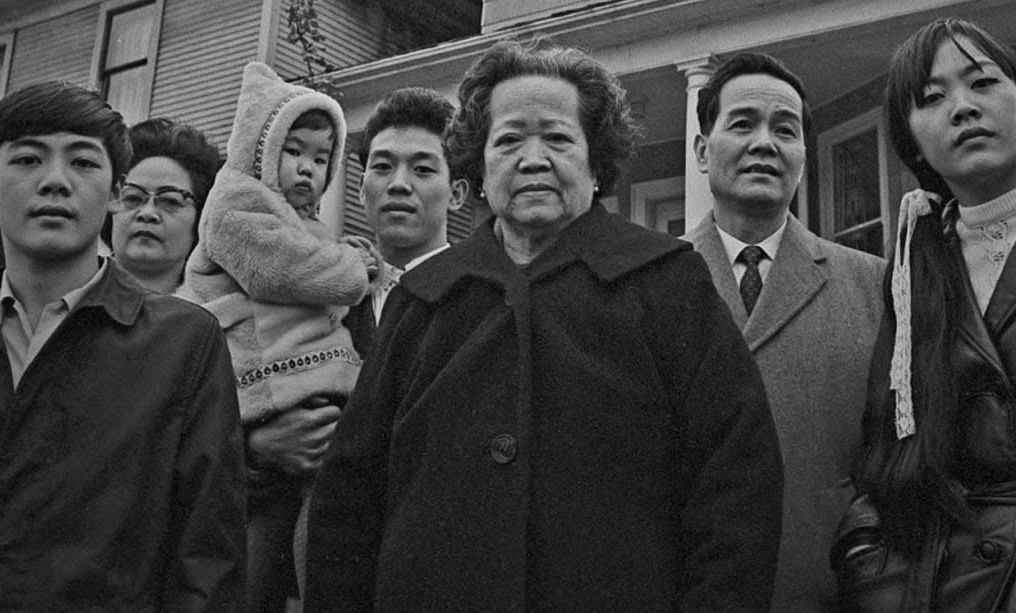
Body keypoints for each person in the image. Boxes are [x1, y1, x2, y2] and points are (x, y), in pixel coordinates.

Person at [305, 40, 784, 612]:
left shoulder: (667, 282)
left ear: (596, 161)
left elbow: (736, 486)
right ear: (478, 169)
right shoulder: (423, 299)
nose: (534, 159)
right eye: (508, 141)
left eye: (558, 138)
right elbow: (348, 503)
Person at [832, 17, 1016, 611]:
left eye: (982, 83)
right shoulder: (914, 260)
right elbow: (885, 454)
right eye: (932, 98)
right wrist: (873, 577)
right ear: (911, 141)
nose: (962, 107)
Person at [0, 81, 245, 610]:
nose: (55, 182)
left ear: (114, 191)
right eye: (27, 159)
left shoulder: (183, 343)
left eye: (84, 163)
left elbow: (206, 559)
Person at [684, 51, 884, 612]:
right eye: (743, 123)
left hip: (829, 592)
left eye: (785, 129)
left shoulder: (873, 284)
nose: (765, 143)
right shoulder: (650, 285)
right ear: (703, 151)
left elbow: (894, 455)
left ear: (802, 153)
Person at [182, 61, 377, 612]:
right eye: (295, 151)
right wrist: (352, 270)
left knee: (321, 528)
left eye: (322, 158)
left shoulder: (301, 221)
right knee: (261, 548)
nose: (309, 169)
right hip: (266, 387)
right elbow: (281, 272)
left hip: (310, 381)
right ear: (260, 149)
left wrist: (345, 261)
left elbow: (319, 279)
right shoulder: (235, 203)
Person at [347, 86, 468, 359]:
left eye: (422, 169)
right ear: (360, 189)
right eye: (382, 167)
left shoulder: (481, 297)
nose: (399, 184)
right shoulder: (330, 294)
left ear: (457, 194)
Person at [105, 116, 221, 293]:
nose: (147, 213)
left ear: (201, 219)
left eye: (170, 201)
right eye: (133, 198)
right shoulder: (62, 304)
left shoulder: (222, 317)